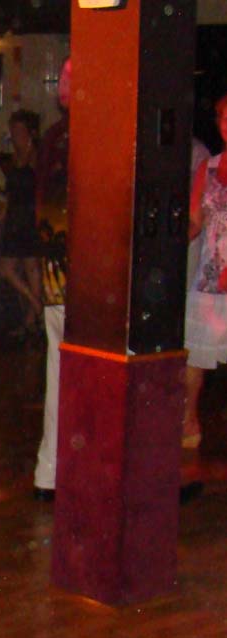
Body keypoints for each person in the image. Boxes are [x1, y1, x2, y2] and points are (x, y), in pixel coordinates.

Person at [32, 57, 71, 502]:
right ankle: (64, 470)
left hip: (61, 276)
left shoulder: (55, 137)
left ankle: (52, 471)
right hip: (79, 277)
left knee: (60, 372)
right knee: (75, 374)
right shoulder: (73, 137)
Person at [183, 95, 227, 450]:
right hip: (210, 274)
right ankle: (188, 421)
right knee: (195, 354)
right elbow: (195, 221)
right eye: (222, 117)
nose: (226, 124)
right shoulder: (208, 167)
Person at [0, 109, 43, 335]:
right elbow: (9, 192)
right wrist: (3, 213)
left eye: (19, 130)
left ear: (30, 132)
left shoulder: (36, 156)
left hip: (30, 217)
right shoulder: (14, 158)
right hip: (16, 218)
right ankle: (35, 306)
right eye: (13, 130)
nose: (14, 134)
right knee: (9, 268)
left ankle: (32, 317)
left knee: (30, 268)